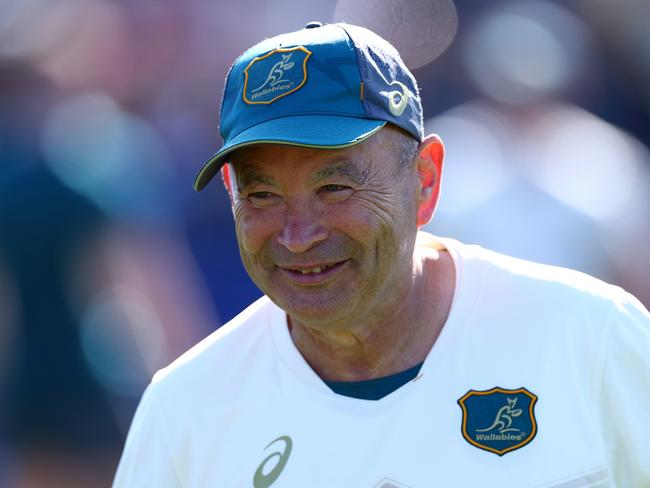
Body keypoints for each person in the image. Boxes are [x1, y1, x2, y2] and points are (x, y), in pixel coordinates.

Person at [113, 22, 650, 487]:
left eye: (336, 188)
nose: (297, 235)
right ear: (230, 193)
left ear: (425, 180)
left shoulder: (593, 338)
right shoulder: (186, 409)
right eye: (262, 196)